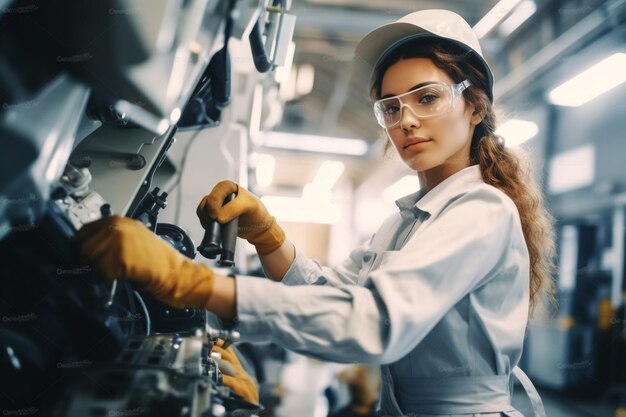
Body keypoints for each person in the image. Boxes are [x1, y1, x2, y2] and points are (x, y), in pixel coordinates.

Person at [76, 9, 556, 417]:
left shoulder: (482, 209)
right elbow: (335, 295)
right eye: (391, 107)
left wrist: (196, 285)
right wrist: (268, 237)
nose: (406, 120)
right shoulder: (402, 223)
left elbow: (372, 323)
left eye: (427, 98)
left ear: (474, 106)